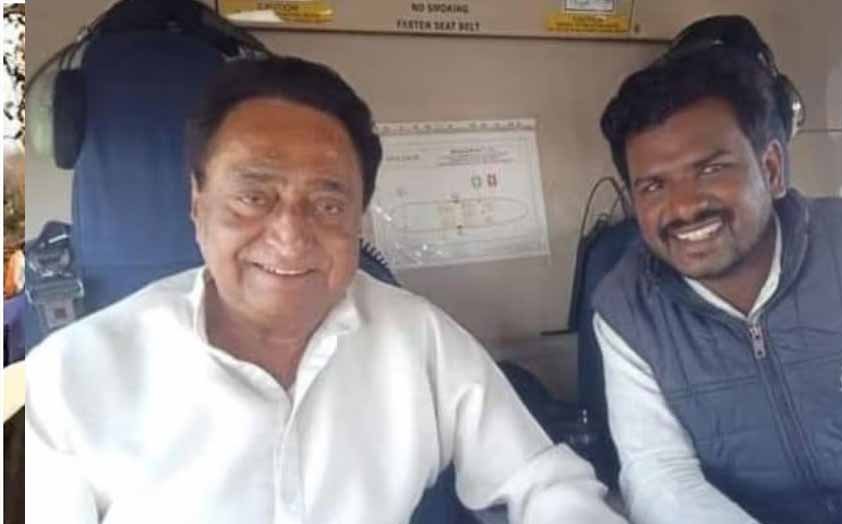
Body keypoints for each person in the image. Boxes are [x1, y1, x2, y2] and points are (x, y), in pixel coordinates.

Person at [26, 56, 625, 524]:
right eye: (253, 196)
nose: (290, 236)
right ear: (197, 203)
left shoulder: (416, 337)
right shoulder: (72, 374)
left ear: (359, 217)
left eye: (328, 203)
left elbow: (545, 482)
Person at [594, 15, 842, 524]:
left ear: (770, 169)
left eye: (711, 169)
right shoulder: (627, 312)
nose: (683, 207)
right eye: (654, 186)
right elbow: (661, 477)